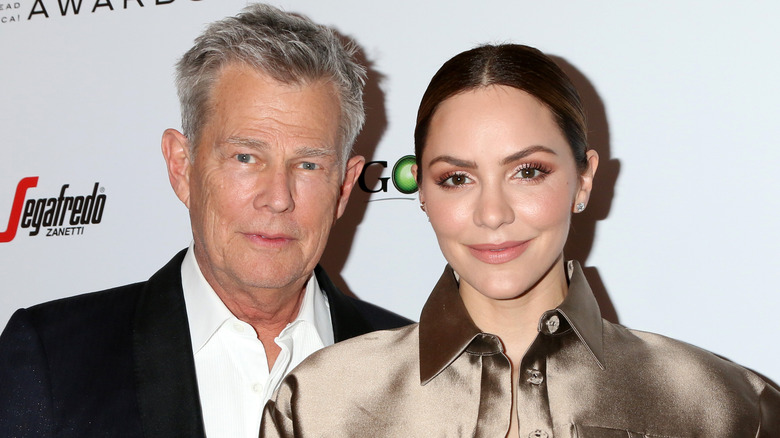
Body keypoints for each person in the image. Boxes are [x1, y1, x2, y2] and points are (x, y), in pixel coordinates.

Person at [261, 44, 780, 437]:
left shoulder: (724, 409)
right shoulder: (320, 407)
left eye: (528, 172)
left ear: (584, 179)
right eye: (456, 178)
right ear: (421, 190)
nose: (492, 214)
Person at [0, 4, 411, 438]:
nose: (277, 198)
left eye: (308, 165)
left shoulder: (420, 370)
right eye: (246, 157)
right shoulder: (51, 359)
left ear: (344, 187)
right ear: (182, 167)